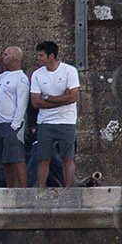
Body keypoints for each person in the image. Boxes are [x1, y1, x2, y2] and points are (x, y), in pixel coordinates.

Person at [29, 39, 79, 189]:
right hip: (45, 122)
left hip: (66, 121)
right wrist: (61, 99)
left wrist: (48, 98)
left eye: (41, 55)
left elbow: (73, 97)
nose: (38, 58)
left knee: (67, 158)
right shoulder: (37, 75)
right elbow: (35, 102)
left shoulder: (69, 71)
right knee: (43, 158)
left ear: (51, 56)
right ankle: (41, 188)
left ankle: (69, 188)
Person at [0, 46, 30, 189]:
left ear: (15, 58)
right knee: (6, 161)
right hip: (0, 123)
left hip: (12, 124)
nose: (3, 57)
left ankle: (23, 189)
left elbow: (22, 103)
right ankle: (10, 189)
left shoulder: (21, 79)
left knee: (17, 159)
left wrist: (15, 125)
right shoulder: (4, 76)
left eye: (6, 54)